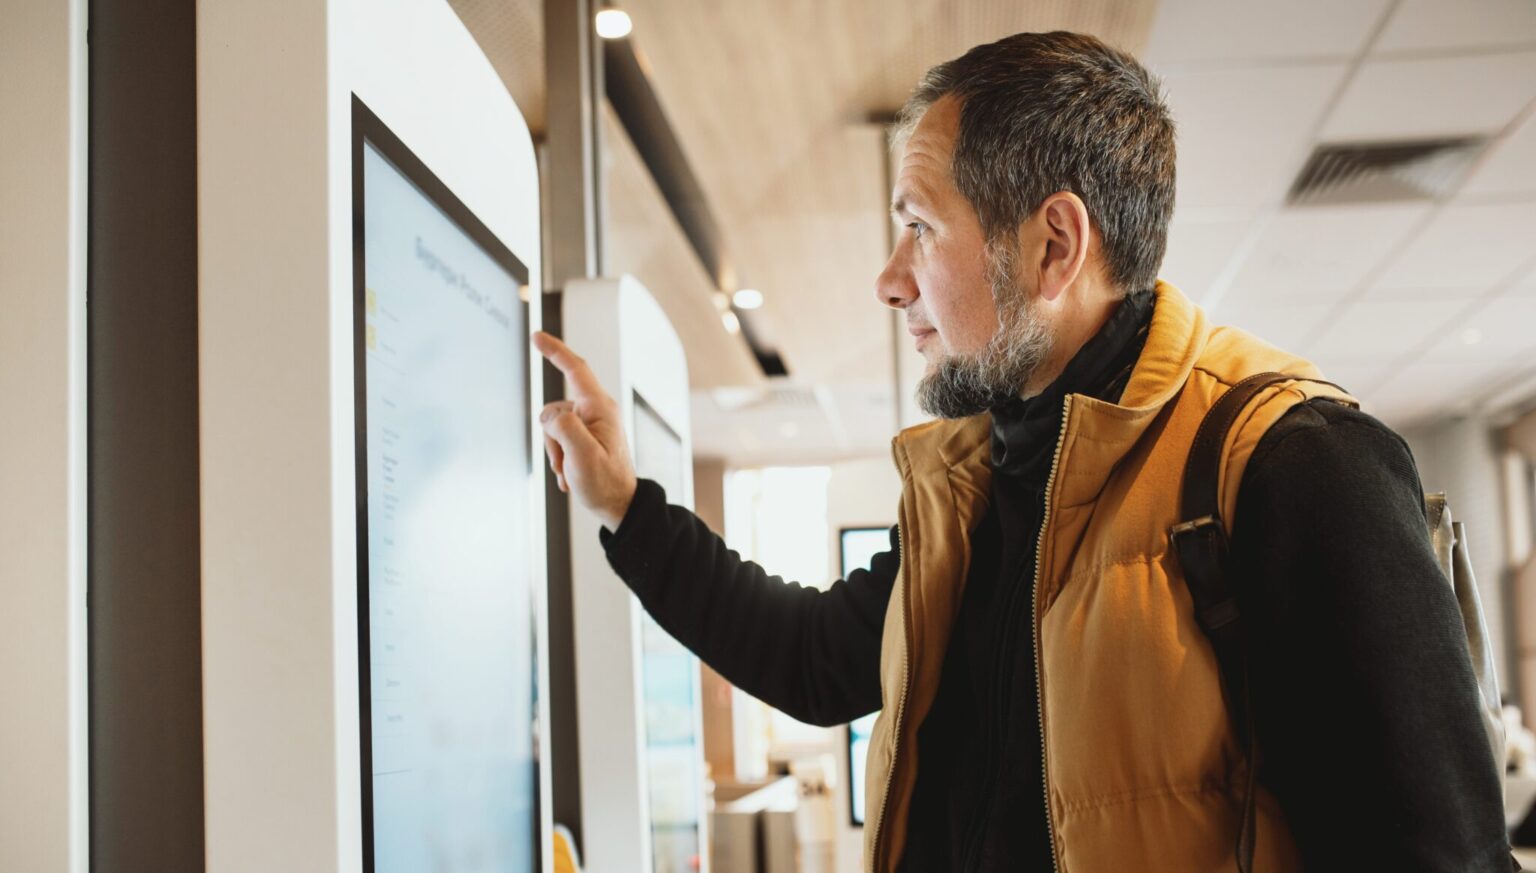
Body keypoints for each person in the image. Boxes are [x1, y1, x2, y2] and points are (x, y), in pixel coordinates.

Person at [534, 30, 1513, 873]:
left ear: (1053, 248)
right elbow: (815, 659)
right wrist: (626, 504)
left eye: (920, 229)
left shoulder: (1291, 462)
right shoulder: (983, 482)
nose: (889, 279)